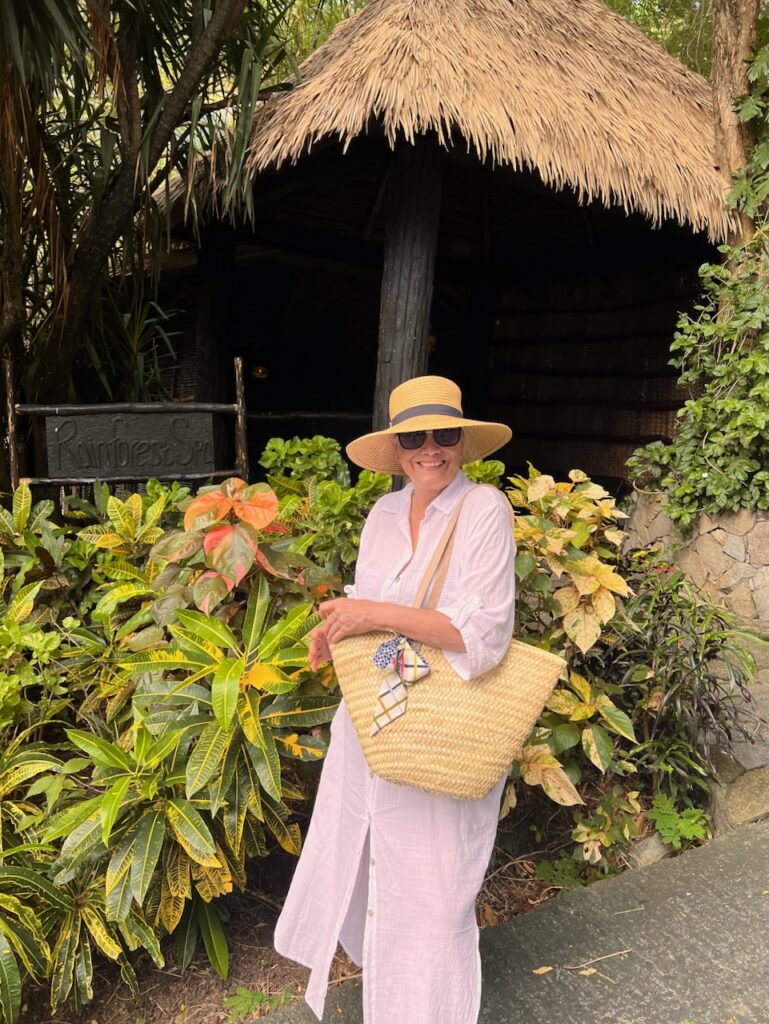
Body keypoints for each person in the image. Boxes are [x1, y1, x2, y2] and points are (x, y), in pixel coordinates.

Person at [274, 375, 516, 1024]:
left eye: (442, 435)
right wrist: (337, 633)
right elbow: (375, 620)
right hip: (375, 712)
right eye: (414, 435)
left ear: (461, 443)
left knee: (436, 889)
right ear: (397, 445)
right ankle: (388, 1000)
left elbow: (481, 635)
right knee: (370, 857)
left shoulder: (484, 510)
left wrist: (371, 612)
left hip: (444, 722)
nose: (429, 448)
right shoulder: (383, 515)